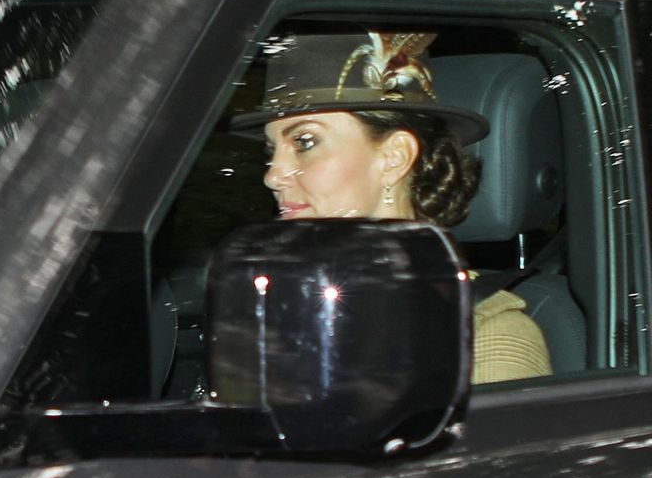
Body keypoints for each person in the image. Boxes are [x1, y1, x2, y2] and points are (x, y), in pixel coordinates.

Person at [231, 30, 551, 385]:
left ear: (393, 158)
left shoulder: (488, 335)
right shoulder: (289, 307)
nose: (272, 175)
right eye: (270, 151)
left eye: (305, 141)